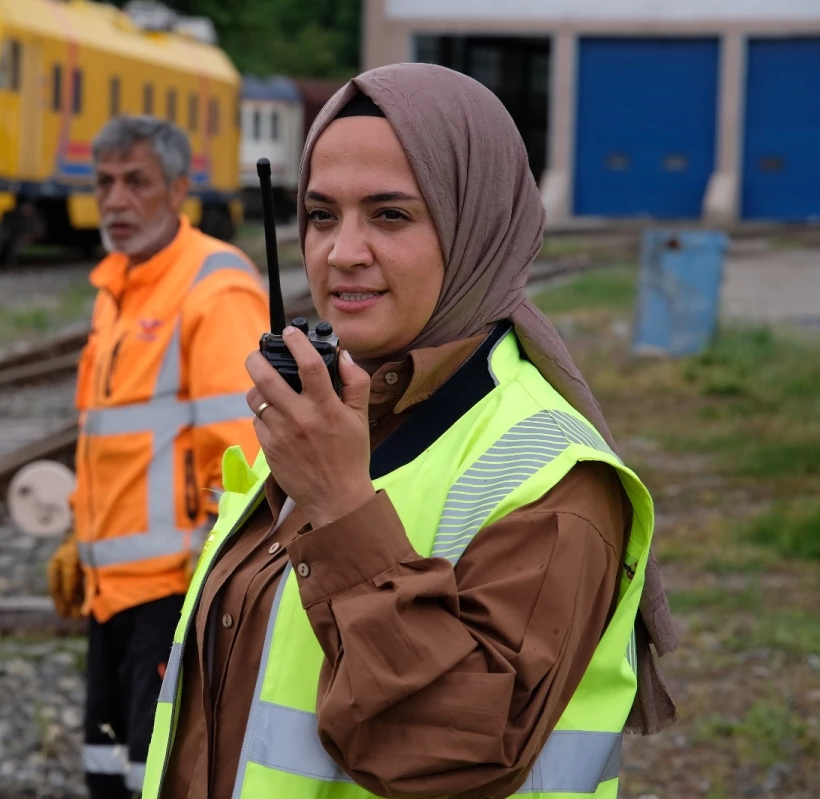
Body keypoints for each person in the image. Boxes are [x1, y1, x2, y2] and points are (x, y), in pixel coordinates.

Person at [140, 65, 680, 799]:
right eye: (323, 215)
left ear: (476, 224)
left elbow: (452, 759)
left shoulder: (557, 482)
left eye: (390, 215)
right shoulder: (340, 414)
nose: (342, 252)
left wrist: (340, 511)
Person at [45, 115, 269, 799]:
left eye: (135, 182)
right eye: (104, 182)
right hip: (112, 589)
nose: (115, 201)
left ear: (178, 190)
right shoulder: (120, 286)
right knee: (108, 771)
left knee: (158, 776)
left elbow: (243, 453)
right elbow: (113, 445)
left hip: (173, 589)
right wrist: (80, 539)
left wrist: (210, 580)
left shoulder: (213, 286)